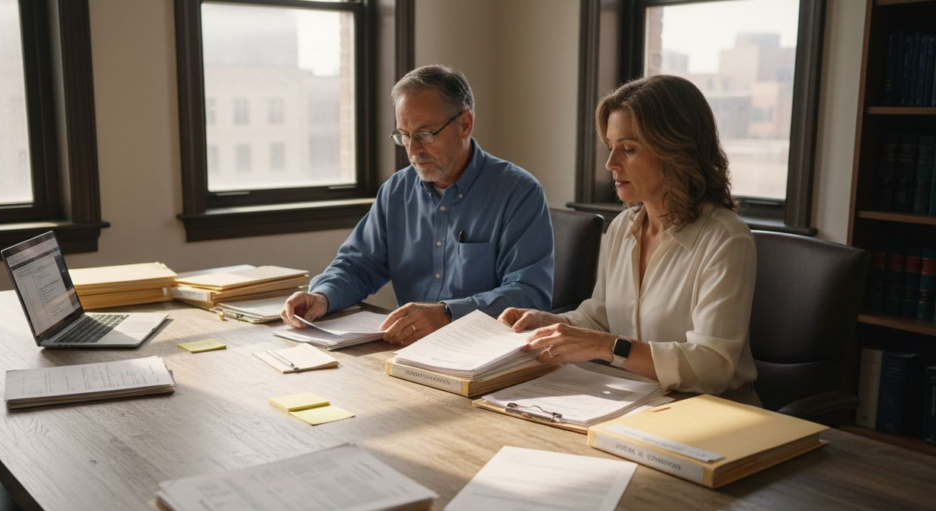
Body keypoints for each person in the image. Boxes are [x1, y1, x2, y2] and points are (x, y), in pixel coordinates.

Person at [500, 75, 758, 400]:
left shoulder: (726, 239)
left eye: (628, 149)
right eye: (611, 148)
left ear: (676, 152)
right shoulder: (623, 227)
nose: (611, 164)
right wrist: (546, 323)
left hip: (709, 410)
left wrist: (609, 347)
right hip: (634, 400)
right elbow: (599, 317)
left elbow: (711, 367)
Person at [281, 64, 554, 345]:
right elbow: (359, 266)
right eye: (404, 135)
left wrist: (447, 314)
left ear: (465, 124)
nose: (412, 150)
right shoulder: (396, 191)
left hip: (486, 351)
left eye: (425, 134)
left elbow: (529, 294)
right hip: (408, 348)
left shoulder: (519, 193)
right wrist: (322, 296)